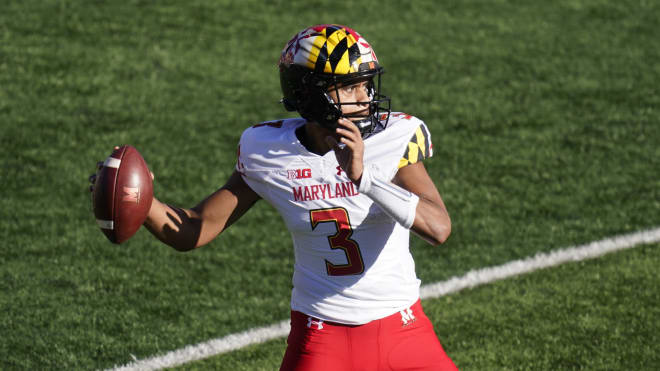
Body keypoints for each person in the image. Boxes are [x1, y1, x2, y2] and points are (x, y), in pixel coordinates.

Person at [96, 24, 457, 370]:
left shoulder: (393, 138)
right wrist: (140, 202)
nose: (366, 98)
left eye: (365, 84)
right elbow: (196, 229)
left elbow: (438, 228)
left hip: (405, 331)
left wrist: (366, 178)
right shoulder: (269, 152)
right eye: (349, 88)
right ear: (311, 95)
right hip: (322, 340)